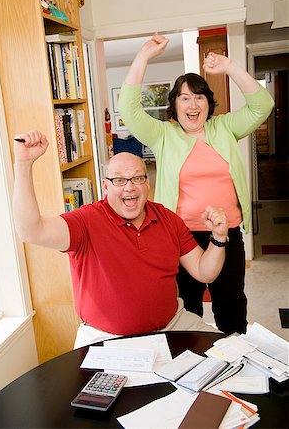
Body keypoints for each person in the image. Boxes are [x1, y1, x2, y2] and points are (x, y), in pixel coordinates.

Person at [118, 33, 275, 335]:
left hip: (226, 235)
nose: (193, 104)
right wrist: (143, 56)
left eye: (199, 96)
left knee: (230, 311)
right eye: (185, 97)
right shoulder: (164, 134)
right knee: (184, 313)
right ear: (174, 105)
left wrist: (230, 67)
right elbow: (129, 110)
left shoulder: (225, 128)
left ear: (208, 103)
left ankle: (233, 371)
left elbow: (262, 104)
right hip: (179, 238)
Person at [13, 131, 229, 348]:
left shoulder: (168, 219)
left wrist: (218, 238)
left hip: (173, 324)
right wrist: (24, 164)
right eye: (119, 180)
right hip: (106, 337)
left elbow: (204, 271)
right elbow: (31, 230)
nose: (129, 187)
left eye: (137, 178)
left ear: (147, 184)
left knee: (228, 354)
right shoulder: (85, 221)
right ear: (106, 187)